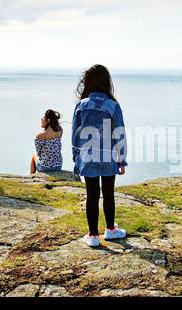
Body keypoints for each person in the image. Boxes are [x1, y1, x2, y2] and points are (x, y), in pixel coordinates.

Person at [72, 65, 128, 248]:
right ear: (106, 82)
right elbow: (119, 133)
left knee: (92, 195)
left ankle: (93, 235)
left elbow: (75, 135)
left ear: (87, 83)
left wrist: (76, 159)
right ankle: (111, 230)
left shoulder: (81, 105)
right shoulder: (113, 106)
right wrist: (122, 159)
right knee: (109, 193)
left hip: (87, 158)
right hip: (108, 157)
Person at [31, 109, 64, 174]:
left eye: (42, 119)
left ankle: (32, 177)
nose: (41, 121)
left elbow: (39, 154)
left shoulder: (40, 136)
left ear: (48, 120)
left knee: (33, 157)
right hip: (58, 166)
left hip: (45, 167)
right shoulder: (60, 131)